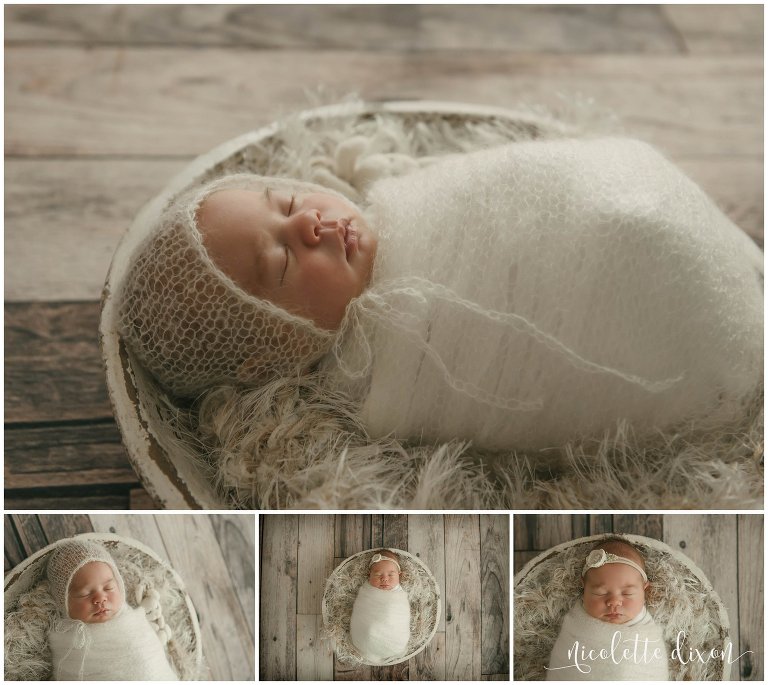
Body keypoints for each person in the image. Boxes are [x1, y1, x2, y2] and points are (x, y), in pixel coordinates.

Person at [118, 136, 762, 453]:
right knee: (637, 257)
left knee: (618, 211)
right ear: (275, 346)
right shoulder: (373, 376)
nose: (308, 222)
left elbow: (511, 190)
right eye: (282, 259)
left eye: (286, 201)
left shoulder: (400, 204)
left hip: (621, 200)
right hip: (656, 321)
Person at [46, 540, 178, 681]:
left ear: (119, 585)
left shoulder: (134, 620)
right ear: (64, 603)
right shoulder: (66, 642)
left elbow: (151, 656)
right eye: (85, 594)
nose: (100, 598)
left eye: (108, 588)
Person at [546, 539, 669, 681]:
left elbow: (653, 669)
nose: (614, 602)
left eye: (627, 593)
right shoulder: (575, 628)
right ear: (584, 587)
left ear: (644, 589)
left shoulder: (647, 633)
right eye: (601, 593)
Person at [349, 551, 411, 664]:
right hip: (367, 633)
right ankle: (368, 644)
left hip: (394, 636)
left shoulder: (399, 593)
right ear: (369, 575)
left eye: (391, 574)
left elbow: (401, 613)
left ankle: (389, 645)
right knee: (369, 630)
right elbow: (361, 609)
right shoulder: (366, 590)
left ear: (399, 575)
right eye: (378, 575)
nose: (384, 579)